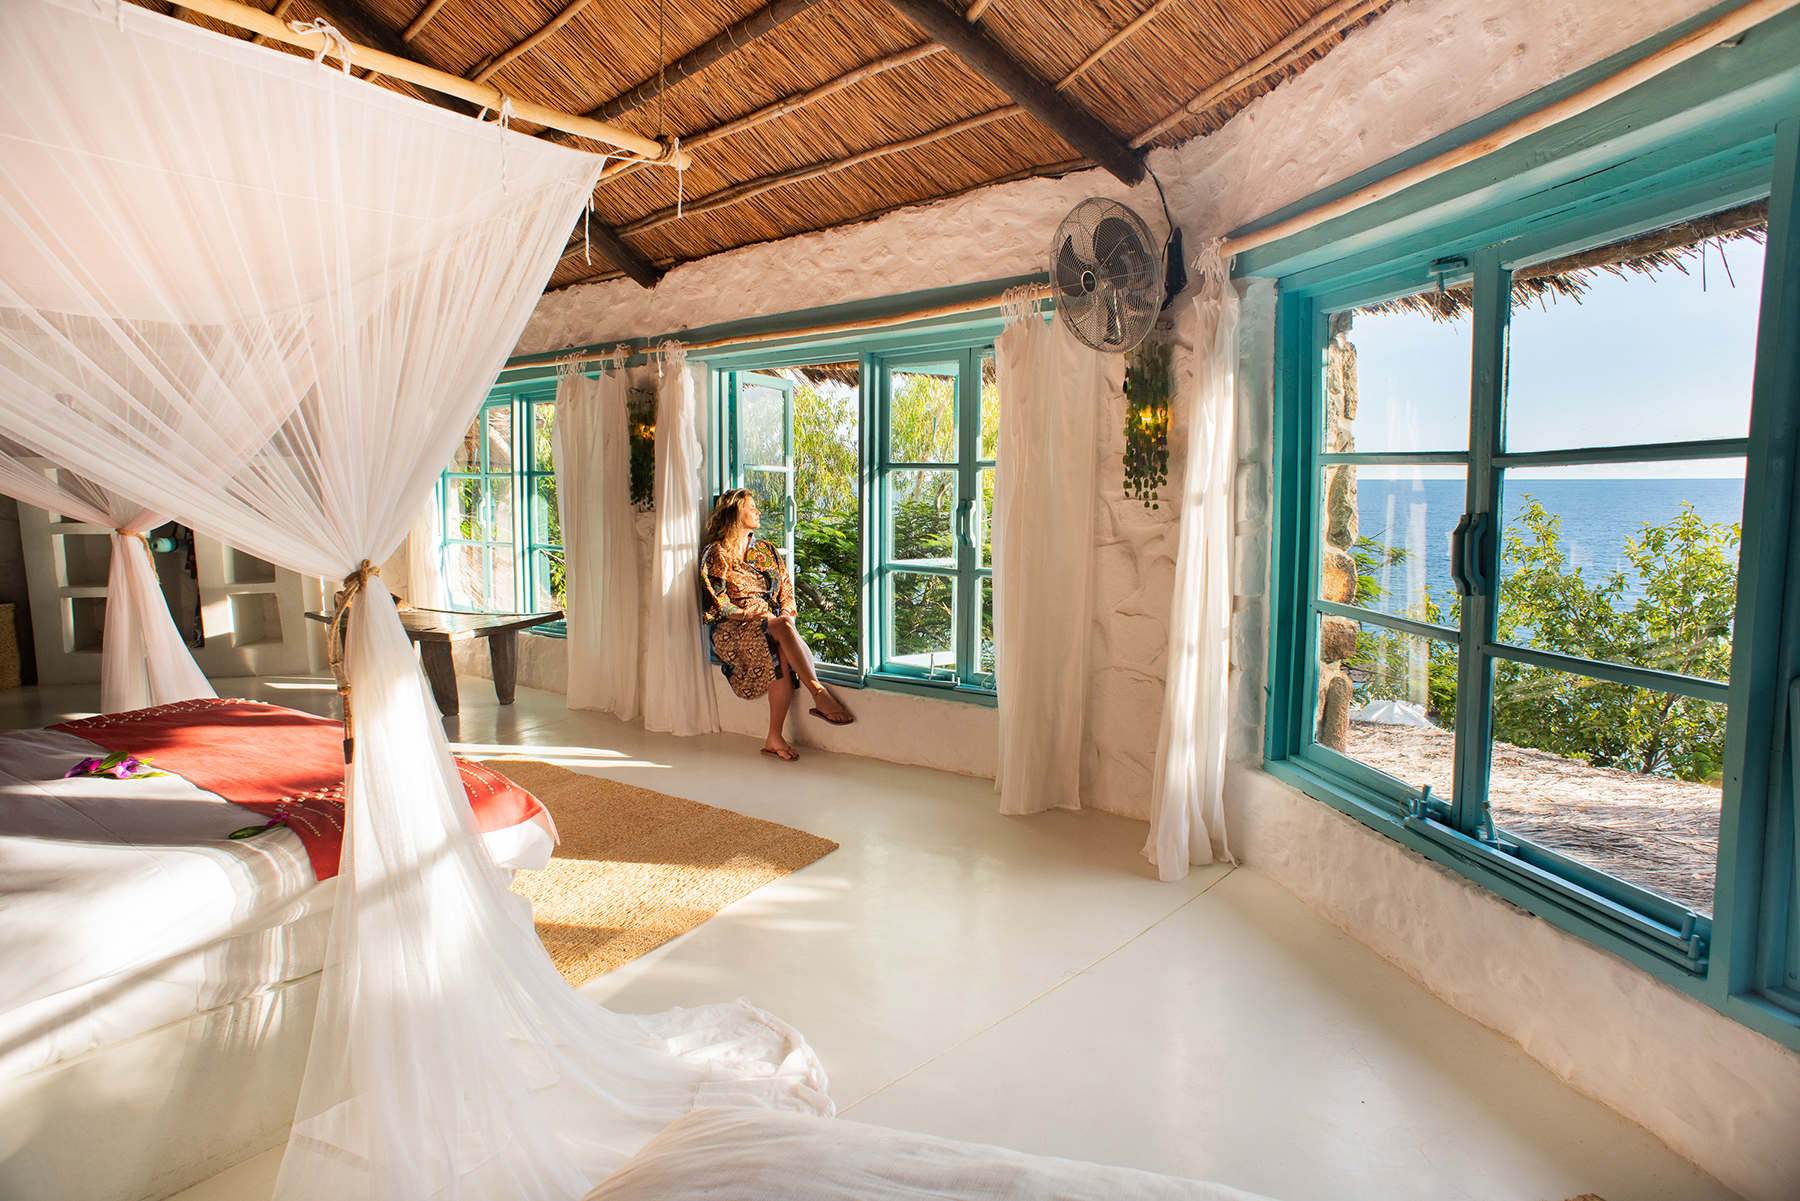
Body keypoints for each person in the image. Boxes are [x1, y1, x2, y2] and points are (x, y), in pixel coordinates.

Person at [700, 488, 853, 760]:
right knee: (781, 627)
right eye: (752, 507)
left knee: (782, 647)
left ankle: (774, 737)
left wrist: (783, 617)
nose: (758, 512)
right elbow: (717, 603)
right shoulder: (717, 553)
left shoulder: (765, 550)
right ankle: (818, 693)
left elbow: (786, 591)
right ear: (736, 513)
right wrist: (752, 615)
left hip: (771, 624)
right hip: (733, 630)